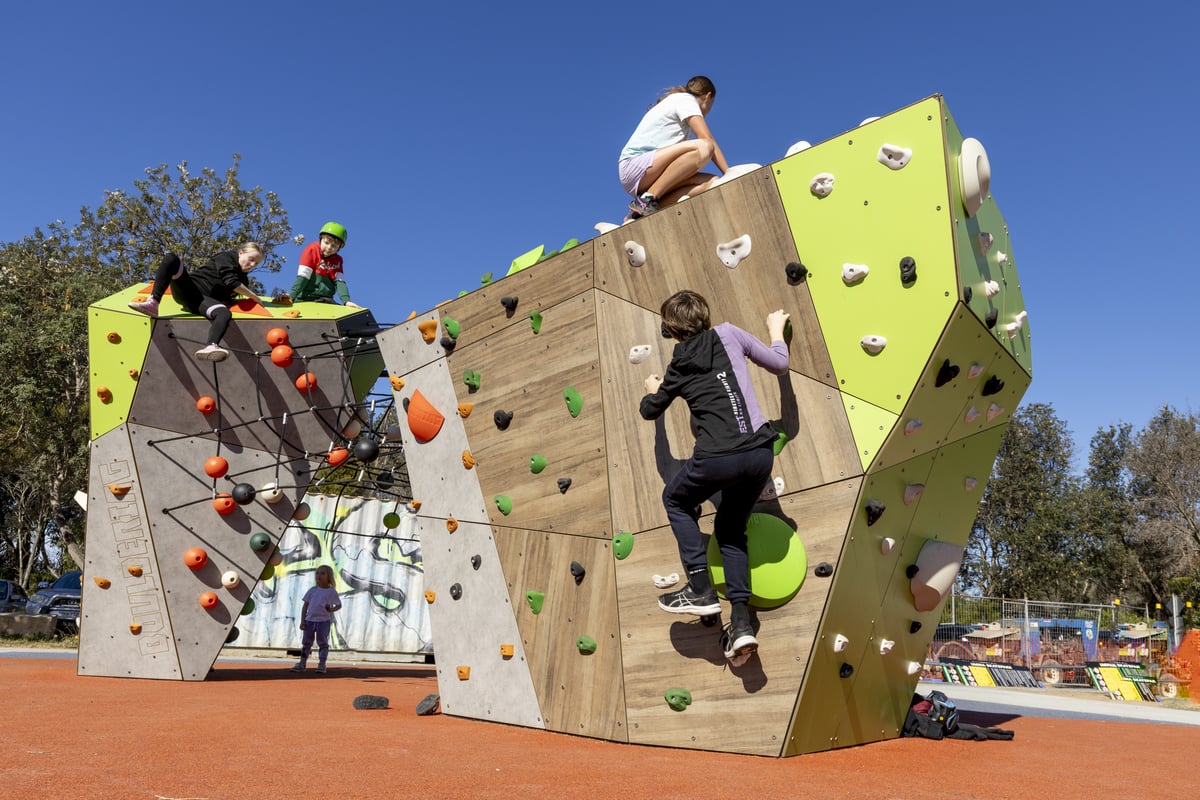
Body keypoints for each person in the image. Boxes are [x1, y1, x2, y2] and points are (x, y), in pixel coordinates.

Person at [639, 290, 789, 662]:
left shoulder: (677, 364)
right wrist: (776, 331)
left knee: (675, 499)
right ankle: (741, 625)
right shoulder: (730, 334)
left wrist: (654, 390)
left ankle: (701, 588)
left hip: (717, 459)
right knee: (730, 530)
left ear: (671, 330)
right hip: (759, 454)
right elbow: (779, 363)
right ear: (705, 317)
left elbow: (649, 410)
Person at [127, 243, 265, 361]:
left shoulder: (244, 281)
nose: (252, 265)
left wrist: (274, 301)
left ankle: (211, 346)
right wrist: (254, 296)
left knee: (224, 313)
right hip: (190, 289)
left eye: (256, 263)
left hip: (201, 302)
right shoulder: (227, 257)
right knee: (172, 259)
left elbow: (231, 298)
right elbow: (231, 281)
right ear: (241, 253)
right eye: (251, 259)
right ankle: (153, 303)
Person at [618, 76, 731, 220]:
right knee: (704, 147)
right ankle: (646, 199)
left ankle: (639, 213)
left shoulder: (676, 104)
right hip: (635, 164)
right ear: (708, 96)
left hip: (648, 173)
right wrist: (729, 173)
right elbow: (707, 138)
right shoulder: (686, 99)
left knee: (712, 182)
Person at [287, 221, 361, 307]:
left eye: (334, 246)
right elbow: (303, 276)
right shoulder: (311, 250)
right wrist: (291, 296)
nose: (329, 247)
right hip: (306, 298)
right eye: (326, 243)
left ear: (339, 247)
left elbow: (340, 283)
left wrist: (347, 301)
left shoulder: (338, 260)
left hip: (326, 300)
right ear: (321, 239)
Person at [291, 564, 342, 674]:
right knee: (306, 643)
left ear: (329, 577)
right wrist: (302, 620)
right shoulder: (312, 590)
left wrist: (331, 609)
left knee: (323, 643)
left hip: (324, 622)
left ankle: (322, 664)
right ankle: (302, 663)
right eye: (317, 573)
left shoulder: (331, 592)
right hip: (309, 621)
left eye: (322, 573)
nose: (319, 575)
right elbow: (305, 606)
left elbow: (338, 605)